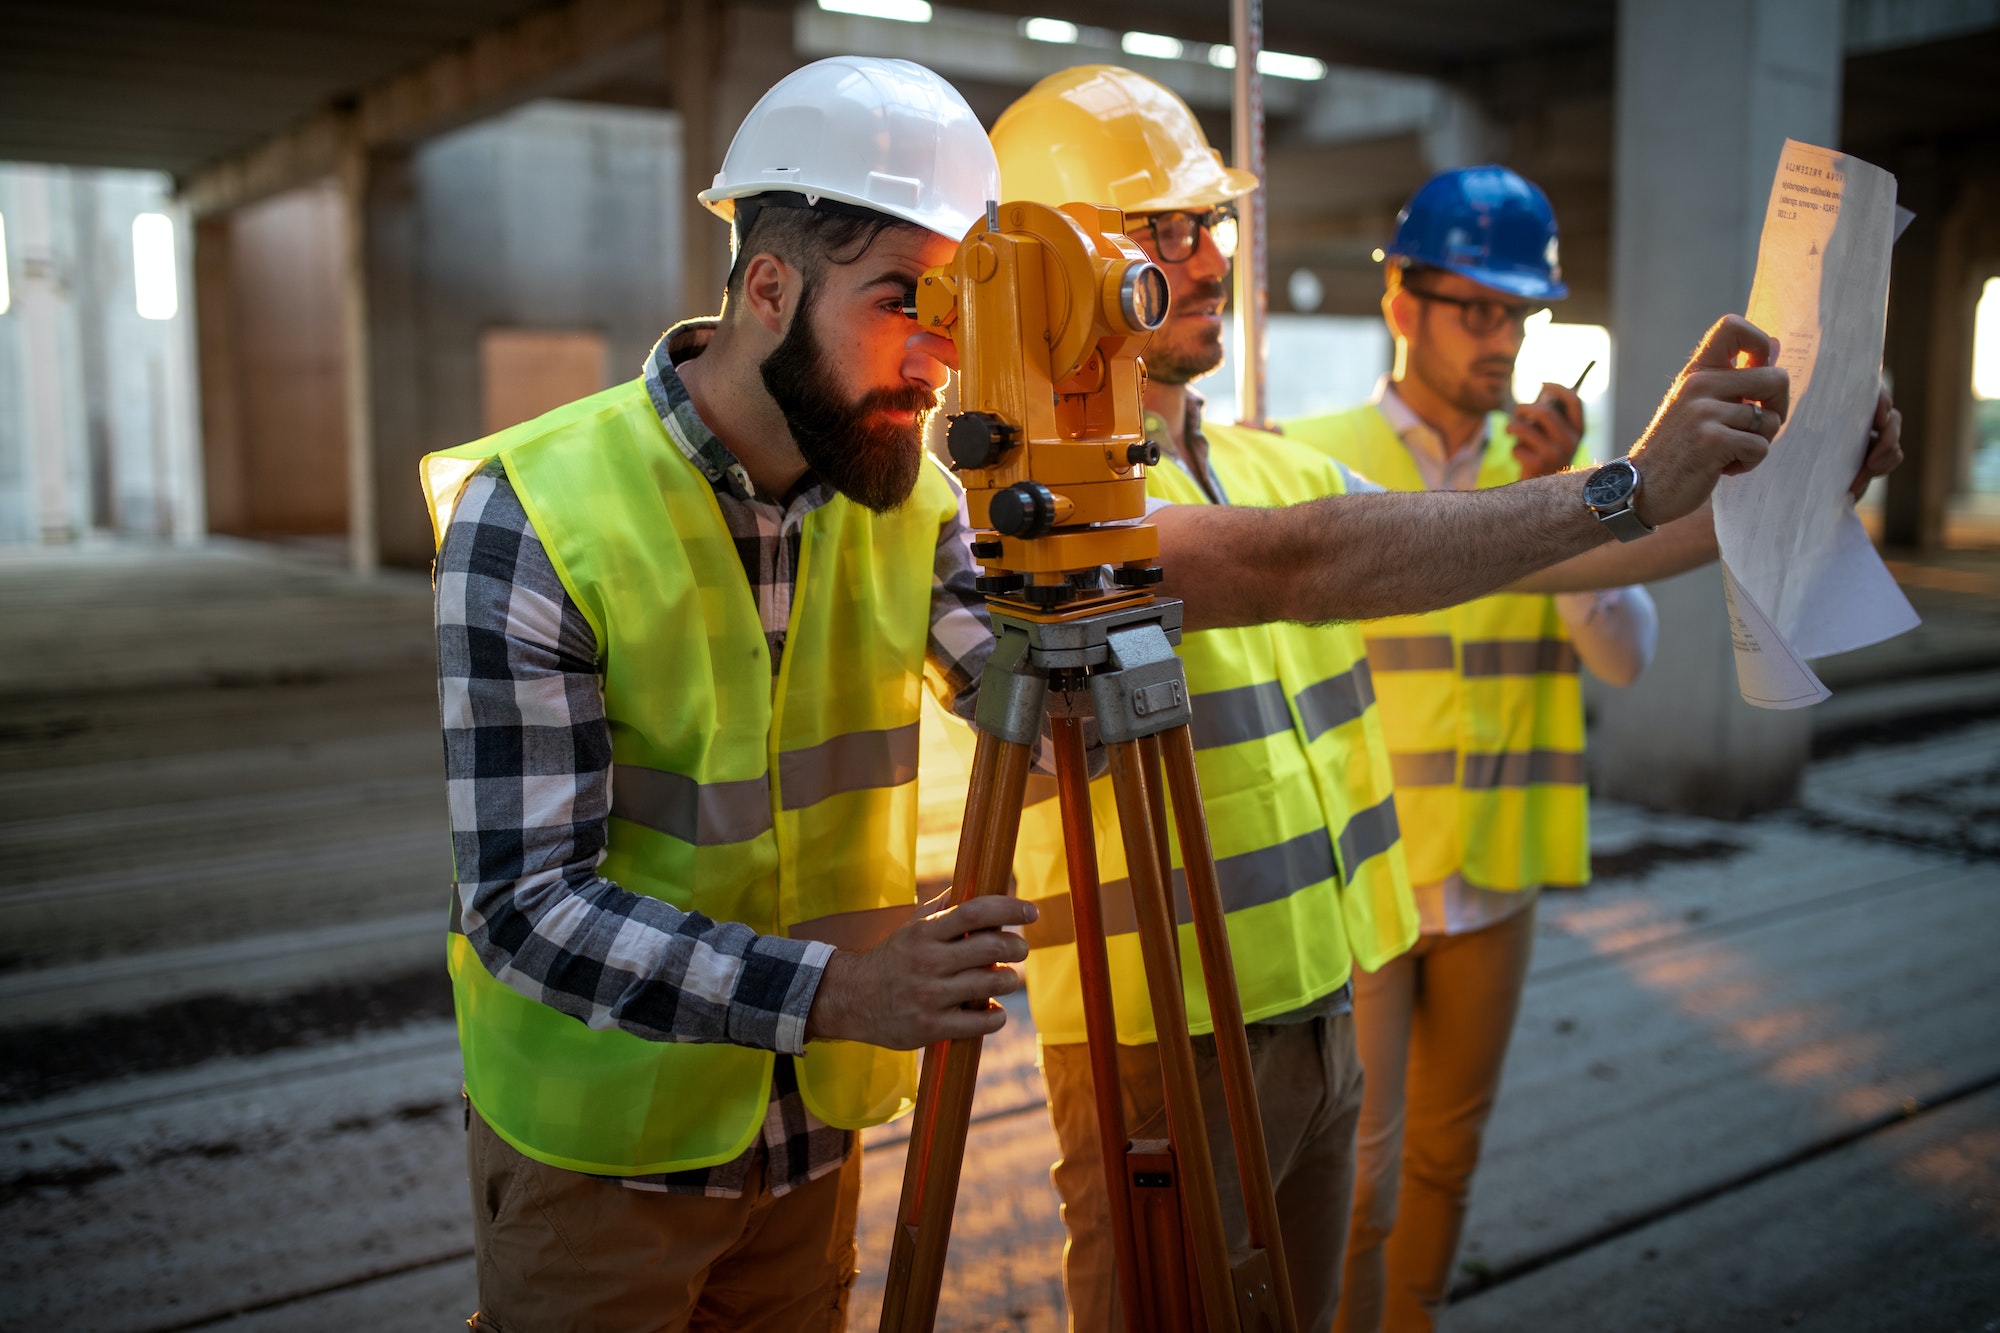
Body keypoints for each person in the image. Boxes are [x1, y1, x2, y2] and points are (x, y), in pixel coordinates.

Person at [423, 53, 1805, 1332]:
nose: (938, 352)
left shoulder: (900, 500)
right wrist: (838, 988)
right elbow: (526, 907)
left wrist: (1762, 486)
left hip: (811, 1149)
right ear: (769, 288)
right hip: (601, 1162)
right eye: (906, 301)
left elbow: (1065, 697)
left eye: (958, 306)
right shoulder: (543, 510)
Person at [990, 65, 1904, 1333]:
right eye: (1160, 231)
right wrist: (1627, 480)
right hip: (1170, 1032)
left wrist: (1783, 477)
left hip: (1325, 993)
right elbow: (1296, 563)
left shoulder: (1255, 460)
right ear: (1041, 257)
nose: (1205, 261)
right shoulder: (1031, 508)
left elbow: (1580, 554)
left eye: (1210, 226)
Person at [1281, 167, 1649, 1333]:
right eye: (1474, 309)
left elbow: (1626, 656)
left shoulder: (1550, 476)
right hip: (1362, 875)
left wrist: (1564, 508)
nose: (1501, 340)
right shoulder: (1304, 457)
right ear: (1402, 304)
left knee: (1444, 1158)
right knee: (1360, 1171)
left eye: (1517, 314)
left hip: (1494, 871)